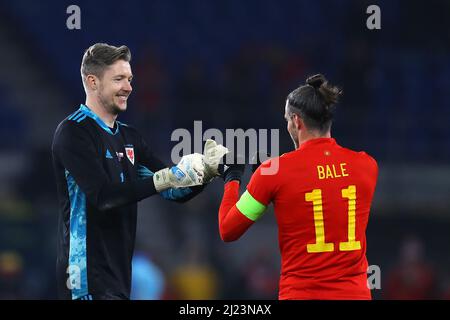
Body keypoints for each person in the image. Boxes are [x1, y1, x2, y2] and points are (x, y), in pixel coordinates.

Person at [51, 43, 227, 300]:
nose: (129, 87)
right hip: (84, 277)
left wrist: (205, 174)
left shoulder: (129, 136)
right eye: (119, 79)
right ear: (93, 82)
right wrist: (165, 178)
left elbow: (173, 192)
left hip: (120, 277)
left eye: (130, 79)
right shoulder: (74, 132)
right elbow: (103, 197)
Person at [217, 74, 378, 299]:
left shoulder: (274, 173)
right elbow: (322, 187)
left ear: (296, 121)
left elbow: (228, 229)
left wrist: (232, 179)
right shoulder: (366, 165)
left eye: (286, 120)